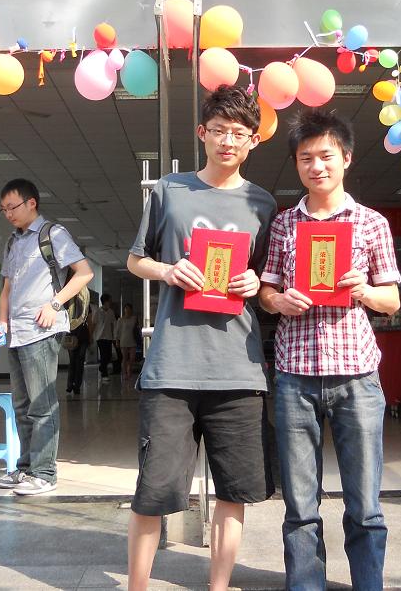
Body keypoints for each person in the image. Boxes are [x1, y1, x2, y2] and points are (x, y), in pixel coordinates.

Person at [126, 86, 277, 591]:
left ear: (253, 140)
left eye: (239, 133)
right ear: (202, 133)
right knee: (153, 492)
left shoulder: (262, 203)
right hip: (172, 365)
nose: (228, 141)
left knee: (233, 492)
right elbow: (135, 260)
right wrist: (168, 271)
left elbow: (268, 281)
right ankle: (137, 586)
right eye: (219, 130)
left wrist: (256, 283)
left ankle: (218, 586)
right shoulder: (170, 190)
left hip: (238, 368)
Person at [257, 110, 401, 591]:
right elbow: (266, 292)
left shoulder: (371, 223)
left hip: (357, 375)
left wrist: (364, 289)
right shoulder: (284, 225)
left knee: (365, 504)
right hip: (295, 377)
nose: (316, 166)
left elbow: (392, 300)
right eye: (306, 158)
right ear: (297, 164)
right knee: (300, 504)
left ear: (346, 158)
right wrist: (280, 300)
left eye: (325, 156)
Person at [0, 178, 93, 496]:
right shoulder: (12, 241)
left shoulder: (53, 234)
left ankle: (45, 473)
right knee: (21, 405)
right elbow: (6, 288)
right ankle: (25, 469)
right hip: (17, 332)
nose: (8, 214)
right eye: (3, 209)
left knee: (41, 404)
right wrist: (2, 321)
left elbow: (85, 272)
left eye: (12, 207)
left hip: (42, 330)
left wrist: (55, 304)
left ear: (31, 203)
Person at [92, 292, 117, 383]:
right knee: (103, 355)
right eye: (109, 301)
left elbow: (112, 324)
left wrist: (114, 336)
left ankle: (102, 367)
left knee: (108, 355)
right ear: (105, 301)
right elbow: (94, 324)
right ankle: (104, 375)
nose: (111, 302)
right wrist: (92, 335)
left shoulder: (111, 312)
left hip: (109, 336)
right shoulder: (98, 311)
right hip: (100, 337)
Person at [115, 302, 139, 381]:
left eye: (129, 309)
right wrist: (117, 340)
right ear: (124, 310)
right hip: (124, 340)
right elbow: (117, 331)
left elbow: (137, 328)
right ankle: (125, 373)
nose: (127, 310)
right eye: (126, 308)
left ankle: (129, 369)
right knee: (124, 358)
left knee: (132, 358)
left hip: (133, 340)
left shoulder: (134, 318)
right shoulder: (120, 320)